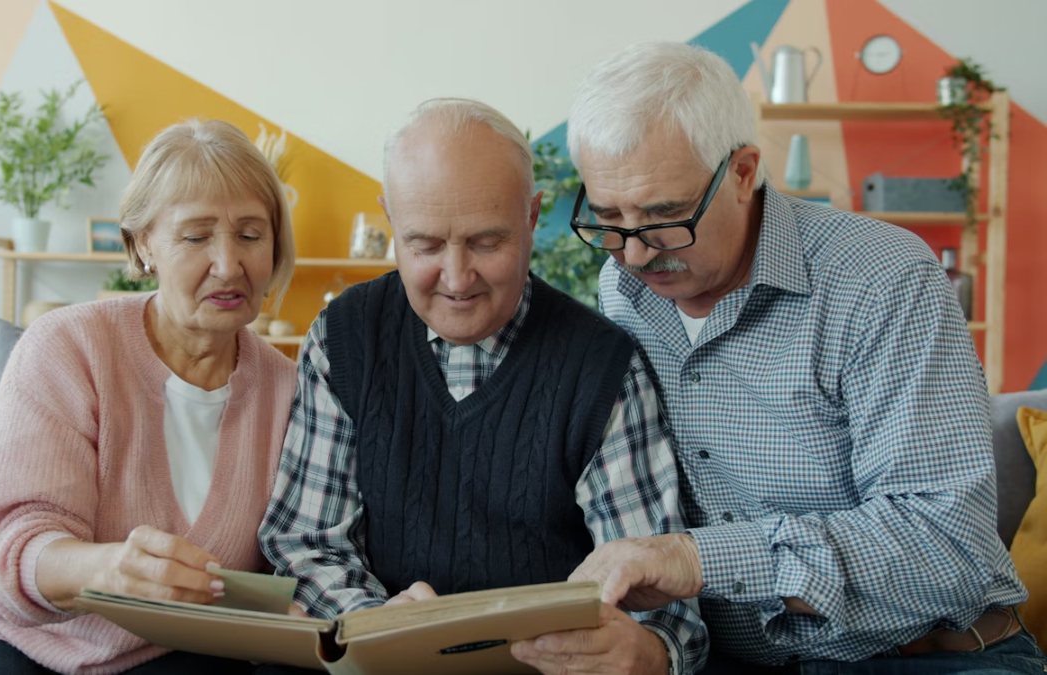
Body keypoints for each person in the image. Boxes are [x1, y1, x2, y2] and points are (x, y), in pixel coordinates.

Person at [549, 41, 1043, 673]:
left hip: (924, 657)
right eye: (609, 217)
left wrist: (694, 558)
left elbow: (950, 549)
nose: (637, 254)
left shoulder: (882, 280)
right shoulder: (622, 288)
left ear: (744, 171)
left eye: (665, 215)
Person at [258, 98, 707, 674]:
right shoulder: (345, 337)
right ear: (390, 220)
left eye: (487, 242)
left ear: (531, 217)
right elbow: (305, 543)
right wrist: (379, 626)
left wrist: (648, 653)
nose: (456, 277)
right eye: (423, 244)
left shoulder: (602, 364)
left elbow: (663, 600)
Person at [0, 119, 299, 675]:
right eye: (196, 236)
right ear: (143, 244)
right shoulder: (68, 346)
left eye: (250, 234)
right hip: (14, 636)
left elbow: (298, 562)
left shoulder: (291, 390)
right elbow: (21, 540)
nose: (228, 264)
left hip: (175, 651)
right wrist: (108, 570)